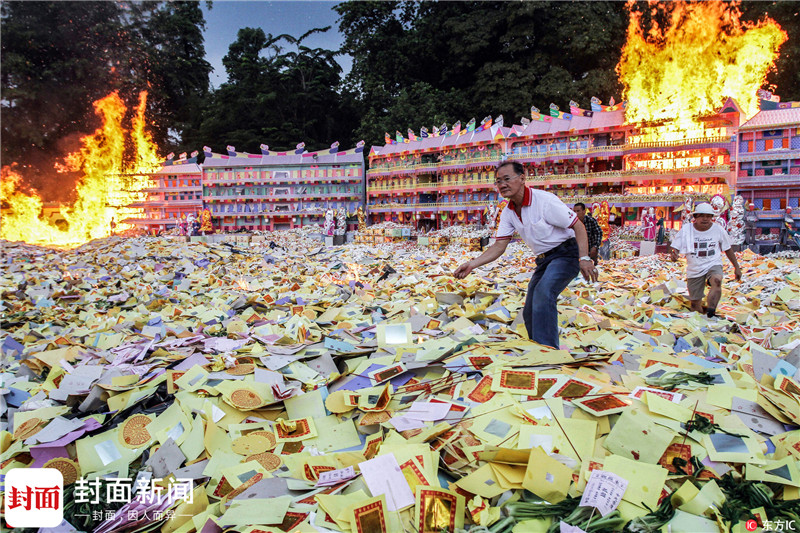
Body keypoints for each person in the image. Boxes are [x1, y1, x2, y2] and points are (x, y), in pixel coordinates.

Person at [454, 161, 597, 348]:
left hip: (566, 253)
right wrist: (472, 264)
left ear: (522, 178)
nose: (502, 184)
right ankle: (536, 346)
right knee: (530, 307)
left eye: (507, 179)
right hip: (544, 260)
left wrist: (584, 258)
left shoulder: (544, 201)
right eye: (498, 181)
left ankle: (547, 352)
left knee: (544, 293)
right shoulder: (508, 212)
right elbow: (499, 245)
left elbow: (578, 226)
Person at [670, 203, 742, 318]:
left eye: (708, 216)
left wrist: (737, 268)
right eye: (702, 216)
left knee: (717, 281)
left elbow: (728, 249)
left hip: (713, 263)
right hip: (694, 268)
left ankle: (711, 312)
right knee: (695, 304)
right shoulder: (687, 230)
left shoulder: (718, 230)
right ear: (696, 217)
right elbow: (675, 247)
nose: (705, 219)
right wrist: (674, 254)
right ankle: (701, 321)